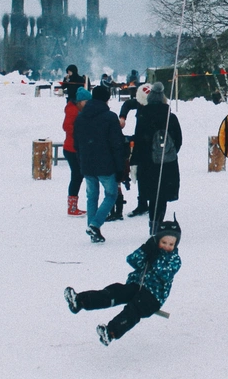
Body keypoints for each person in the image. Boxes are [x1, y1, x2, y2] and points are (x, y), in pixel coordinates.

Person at [64, 218, 182, 346]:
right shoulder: (151, 249)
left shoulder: (174, 259)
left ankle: (111, 332)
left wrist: (157, 258)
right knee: (115, 291)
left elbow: (164, 273)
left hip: (153, 297)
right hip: (136, 286)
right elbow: (132, 260)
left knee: (133, 309)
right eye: (164, 242)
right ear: (157, 240)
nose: (167, 247)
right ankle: (80, 301)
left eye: (171, 244)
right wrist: (145, 249)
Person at [74, 85, 127, 243]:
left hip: (87, 163)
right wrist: (120, 166)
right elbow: (116, 144)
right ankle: (95, 225)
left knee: (92, 196)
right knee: (111, 194)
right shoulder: (110, 117)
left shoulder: (81, 117)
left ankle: (92, 226)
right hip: (106, 163)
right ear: (106, 98)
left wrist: (81, 161)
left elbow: (77, 143)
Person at [129, 82, 182, 232]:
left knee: (153, 195)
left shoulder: (143, 116)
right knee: (163, 195)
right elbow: (178, 140)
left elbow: (138, 140)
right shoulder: (170, 117)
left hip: (148, 163)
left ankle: (153, 223)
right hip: (167, 163)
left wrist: (138, 160)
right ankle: (158, 222)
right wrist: (168, 153)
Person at [119, 83, 152, 217]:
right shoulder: (140, 102)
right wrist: (122, 117)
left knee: (150, 175)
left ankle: (152, 203)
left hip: (151, 146)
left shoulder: (155, 108)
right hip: (139, 144)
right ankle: (143, 203)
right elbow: (127, 105)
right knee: (140, 173)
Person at [62, 87, 91, 217]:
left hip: (74, 147)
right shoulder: (73, 111)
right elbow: (66, 126)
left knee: (78, 176)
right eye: (87, 101)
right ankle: (72, 207)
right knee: (77, 176)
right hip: (71, 148)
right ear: (80, 101)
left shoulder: (77, 110)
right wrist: (80, 133)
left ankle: (73, 206)